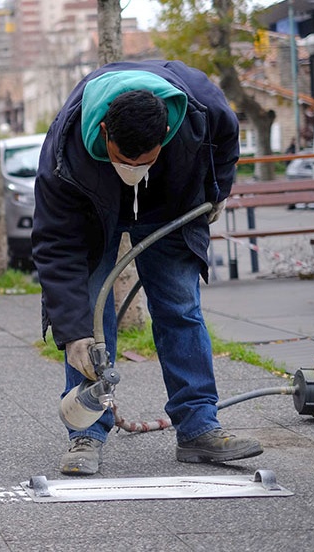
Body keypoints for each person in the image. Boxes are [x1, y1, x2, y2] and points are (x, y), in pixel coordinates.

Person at [32, 60, 262, 476]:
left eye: (146, 160)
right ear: (104, 130)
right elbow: (55, 243)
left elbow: (227, 142)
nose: (134, 170)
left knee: (180, 308)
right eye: (126, 159)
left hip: (170, 204)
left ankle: (199, 428)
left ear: (167, 134)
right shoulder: (65, 150)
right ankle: (87, 433)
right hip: (93, 206)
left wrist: (218, 191)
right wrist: (73, 333)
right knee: (90, 317)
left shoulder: (199, 108)